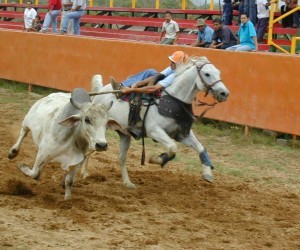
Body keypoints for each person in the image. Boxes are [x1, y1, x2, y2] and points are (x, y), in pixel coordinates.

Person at [111, 51, 189, 140]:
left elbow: (154, 88)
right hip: (161, 85)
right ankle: (122, 86)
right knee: (151, 71)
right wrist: (139, 83)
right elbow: (157, 76)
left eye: (173, 62)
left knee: (144, 86)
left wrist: (132, 89)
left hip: (165, 94)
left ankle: (136, 121)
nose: (170, 63)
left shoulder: (175, 75)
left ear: (178, 65)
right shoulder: (172, 68)